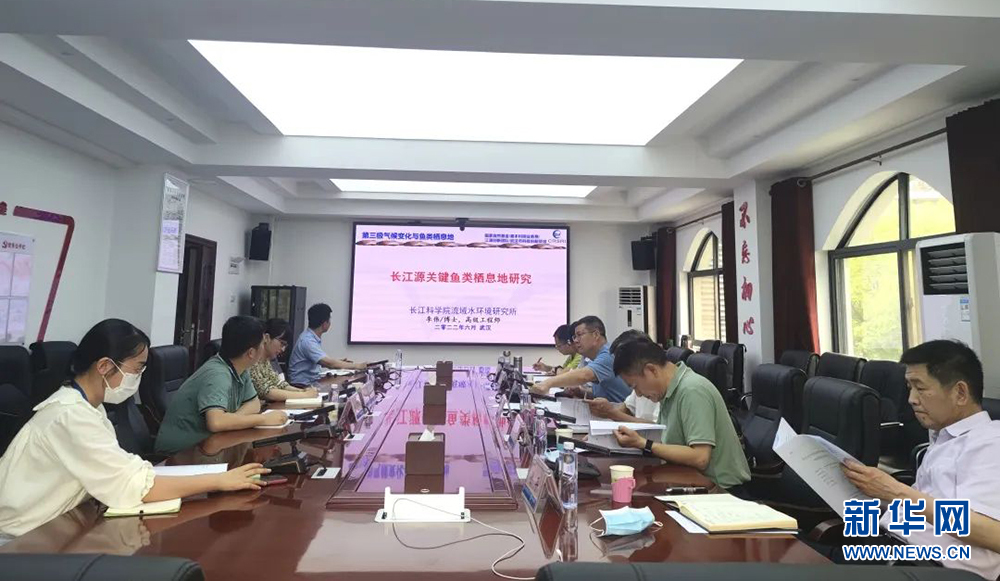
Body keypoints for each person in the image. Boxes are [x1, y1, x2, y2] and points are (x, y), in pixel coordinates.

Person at [0, 319, 269, 538]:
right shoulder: (69, 415)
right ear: (105, 366)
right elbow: (133, 485)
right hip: (23, 539)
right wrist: (220, 480)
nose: (139, 377)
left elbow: (121, 469)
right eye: (137, 368)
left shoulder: (88, 407)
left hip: (61, 524)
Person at [832, 340, 1000, 578]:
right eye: (909, 387)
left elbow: (993, 533)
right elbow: (922, 510)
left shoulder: (989, 443)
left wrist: (896, 492)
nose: (911, 399)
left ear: (960, 393)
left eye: (920, 388)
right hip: (890, 549)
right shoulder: (943, 436)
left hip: (931, 568)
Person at [610, 338, 750, 490]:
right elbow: (666, 438)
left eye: (635, 386)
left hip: (722, 490)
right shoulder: (667, 391)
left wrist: (644, 444)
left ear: (651, 370)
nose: (637, 394)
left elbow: (700, 458)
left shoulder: (692, 391)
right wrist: (635, 440)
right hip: (690, 479)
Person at [155, 316, 287, 455]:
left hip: (210, 446)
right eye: (262, 344)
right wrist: (263, 419)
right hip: (179, 454)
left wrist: (231, 420)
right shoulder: (218, 374)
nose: (263, 348)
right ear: (251, 353)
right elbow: (216, 422)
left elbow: (254, 404)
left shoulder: (241, 368)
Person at [530, 316, 631, 403]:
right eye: (574, 337)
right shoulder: (592, 357)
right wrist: (581, 392)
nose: (576, 341)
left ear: (596, 335)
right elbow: (603, 395)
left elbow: (584, 376)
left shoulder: (608, 354)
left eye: (579, 335)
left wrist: (547, 383)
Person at [588, 330, 661, 422]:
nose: (638, 393)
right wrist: (607, 412)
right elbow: (626, 408)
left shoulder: (658, 387)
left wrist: (612, 413)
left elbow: (658, 427)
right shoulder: (638, 383)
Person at [288, 303, 367, 386]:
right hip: (301, 386)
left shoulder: (311, 337)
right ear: (324, 323)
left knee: (343, 382)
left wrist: (339, 362)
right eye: (329, 320)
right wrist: (358, 365)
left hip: (311, 381)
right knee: (341, 385)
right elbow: (330, 363)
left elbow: (322, 362)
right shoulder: (307, 341)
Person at [250, 318, 319, 402]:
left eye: (285, 345)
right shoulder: (252, 360)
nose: (283, 349)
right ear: (267, 338)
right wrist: (304, 395)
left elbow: (278, 384)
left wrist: (301, 391)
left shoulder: (266, 360)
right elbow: (266, 392)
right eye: (282, 343)